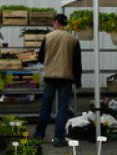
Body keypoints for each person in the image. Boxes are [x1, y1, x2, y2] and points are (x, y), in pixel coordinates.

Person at [34, 13, 82, 147]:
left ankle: (38, 136)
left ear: (55, 22)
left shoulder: (48, 37)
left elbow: (40, 58)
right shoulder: (73, 39)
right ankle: (58, 138)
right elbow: (77, 63)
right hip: (66, 77)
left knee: (45, 108)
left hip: (50, 77)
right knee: (62, 108)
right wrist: (78, 81)